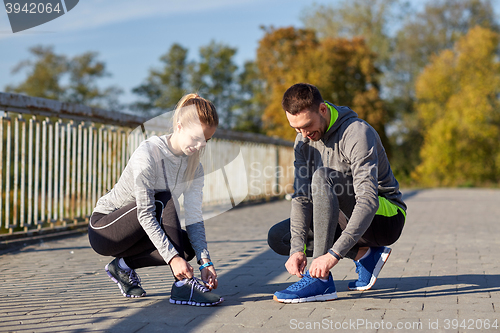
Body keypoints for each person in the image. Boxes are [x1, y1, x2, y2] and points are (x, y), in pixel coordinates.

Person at [267, 83, 406, 303]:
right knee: (280, 237)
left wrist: (331, 256)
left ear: (322, 110)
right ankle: (366, 256)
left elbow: (368, 201)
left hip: (384, 217)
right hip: (344, 215)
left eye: (307, 125)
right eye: (296, 128)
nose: (303, 134)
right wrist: (297, 249)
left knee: (323, 177)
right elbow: (302, 198)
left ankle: (321, 281)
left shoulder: (356, 132)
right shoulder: (303, 142)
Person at [88, 93, 223, 306]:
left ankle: (122, 266)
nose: (200, 146)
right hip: (106, 229)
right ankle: (182, 287)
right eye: (196, 138)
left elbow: (195, 216)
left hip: (137, 234)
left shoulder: (195, 167)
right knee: (164, 198)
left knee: (186, 247)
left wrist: (205, 261)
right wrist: (172, 258)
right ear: (179, 126)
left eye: (205, 140)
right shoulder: (149, 153)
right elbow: (145, 213)